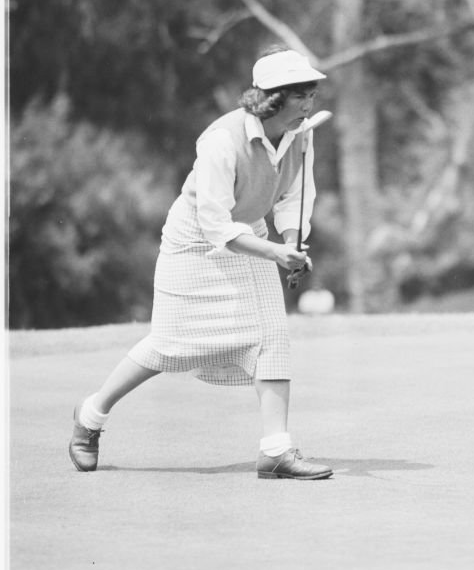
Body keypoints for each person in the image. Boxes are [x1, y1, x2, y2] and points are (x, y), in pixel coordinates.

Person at [69, 46, 334, 479]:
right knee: (167, 346)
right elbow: (214, 224)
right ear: (273, 98)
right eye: (301, 94)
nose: (310, 103)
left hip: (253, 236)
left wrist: (291, 243)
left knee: (273, 336)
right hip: (194, 241)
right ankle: (91, 416)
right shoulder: (221, 140)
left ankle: (275, 450)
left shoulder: (302, 135)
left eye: (311, 93)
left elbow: (292, 198)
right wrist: (274, 254)